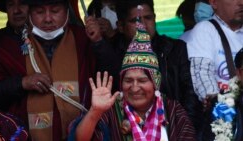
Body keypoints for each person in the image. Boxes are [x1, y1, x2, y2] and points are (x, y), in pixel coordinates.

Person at [71, 12, 196, 140]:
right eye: (128, 80)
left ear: (156, 82)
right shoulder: (110, 110)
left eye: (142, 80)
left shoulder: (172, 109)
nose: (134, 88)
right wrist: (95, 111)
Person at [0, 0, 100, 140]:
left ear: (66, 12)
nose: (48, 19)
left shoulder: (83, 39)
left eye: (55, 11)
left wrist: (99, 42)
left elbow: (113, 78)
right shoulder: (6, 47)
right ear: (31, 13)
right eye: (40, 12)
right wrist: (22, 83)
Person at [186, 0, 243, 140]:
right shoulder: (205, 29)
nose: (241, 2)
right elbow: (203, 78)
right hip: (226, 119)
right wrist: (219, 102)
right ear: (214, 3)